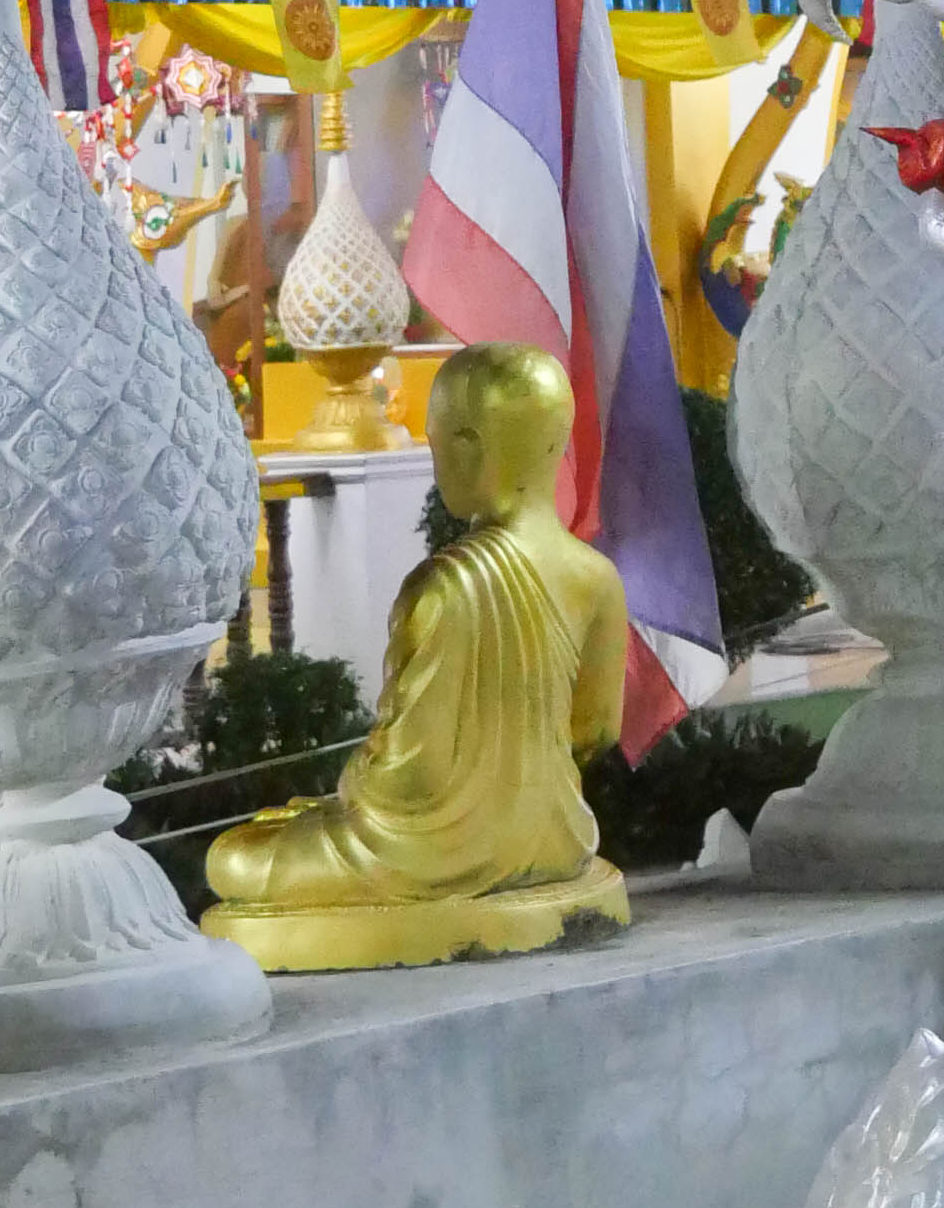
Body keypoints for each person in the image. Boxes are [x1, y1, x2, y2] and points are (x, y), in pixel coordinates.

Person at [204, 341, 630, 969]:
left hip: (427, 853)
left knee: (234, 859)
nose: (436, 464)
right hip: (560, 838)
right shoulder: (597, 578)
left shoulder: (444, 586)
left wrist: (348, 798)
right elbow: (595, 732)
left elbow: (412, 775)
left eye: (437, 445)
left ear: (470, 446)